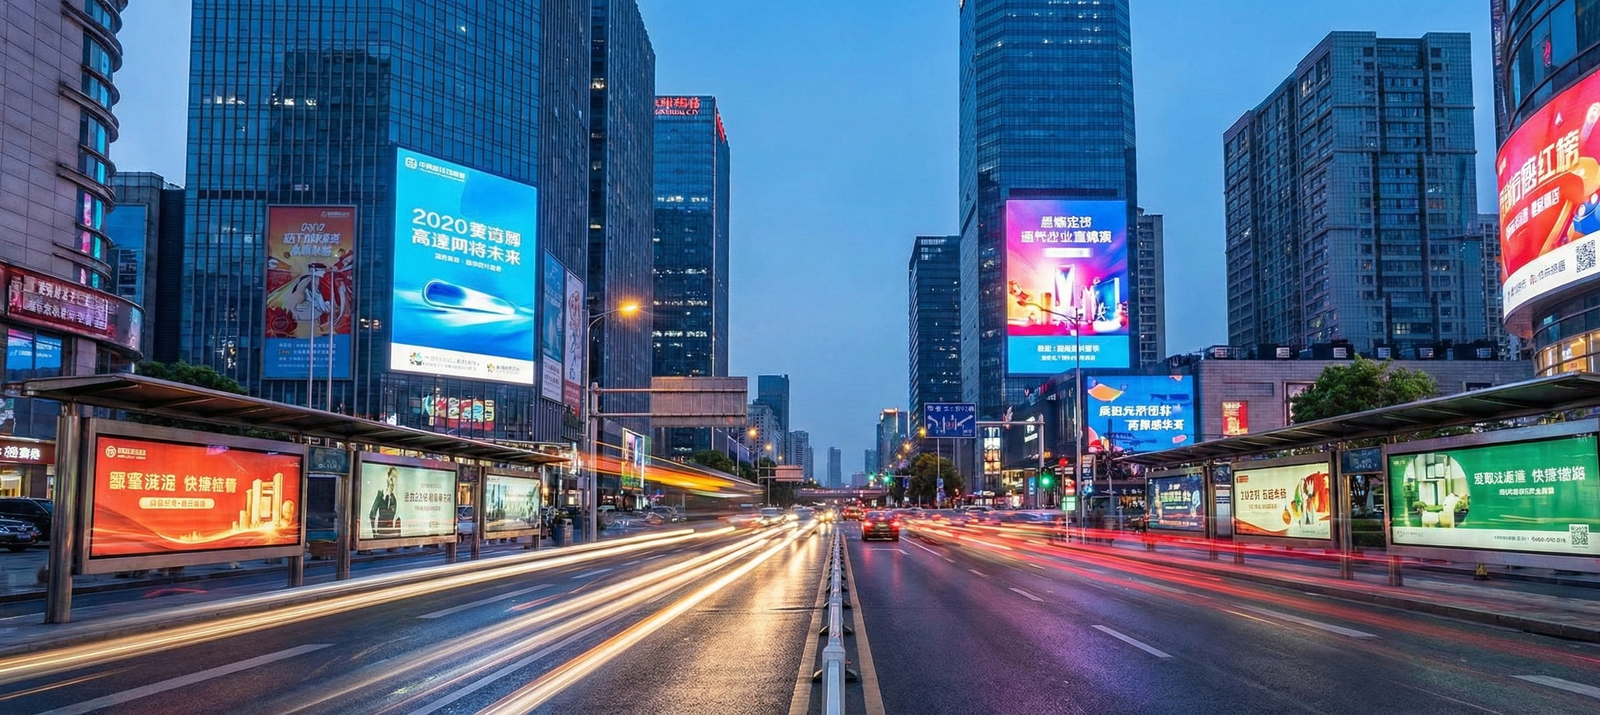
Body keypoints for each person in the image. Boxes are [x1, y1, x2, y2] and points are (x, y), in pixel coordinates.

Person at [369, 467, 401, 538]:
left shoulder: (394, 497)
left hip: (392, 535)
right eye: (392, 477)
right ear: (388, 478)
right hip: (382, 533)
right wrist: (374, 533)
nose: (394, 480)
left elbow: (398, 518)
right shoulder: (381, 495)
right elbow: (372, 513)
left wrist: (398, 535)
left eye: (395, 478)